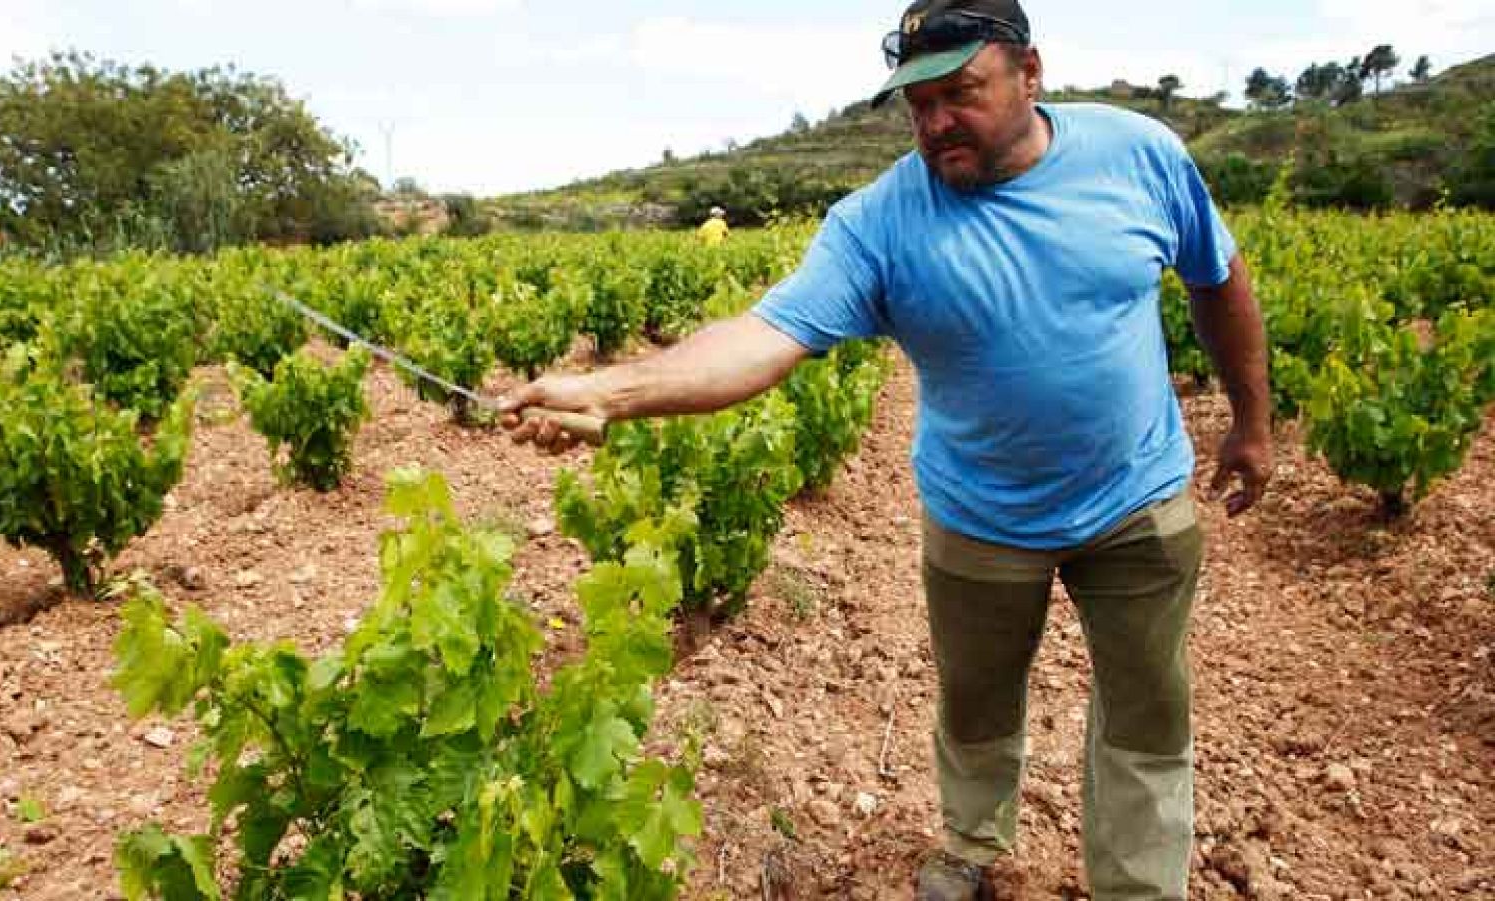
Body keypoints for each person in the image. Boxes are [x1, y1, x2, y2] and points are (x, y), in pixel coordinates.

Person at [500, 0, 1273, 897]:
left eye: (960, 93)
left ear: (1030, 73)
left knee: (1147, 711)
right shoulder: (878, 222)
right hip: (981, 516)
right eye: (918, 103)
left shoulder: (1140, 155)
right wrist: (611, 391)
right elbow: (763, 336)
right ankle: (972, 842)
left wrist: (1252, 421)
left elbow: (1217, 276)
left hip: (1136, 498)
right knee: (976, 701)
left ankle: (1137, 886)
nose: (936, 122)